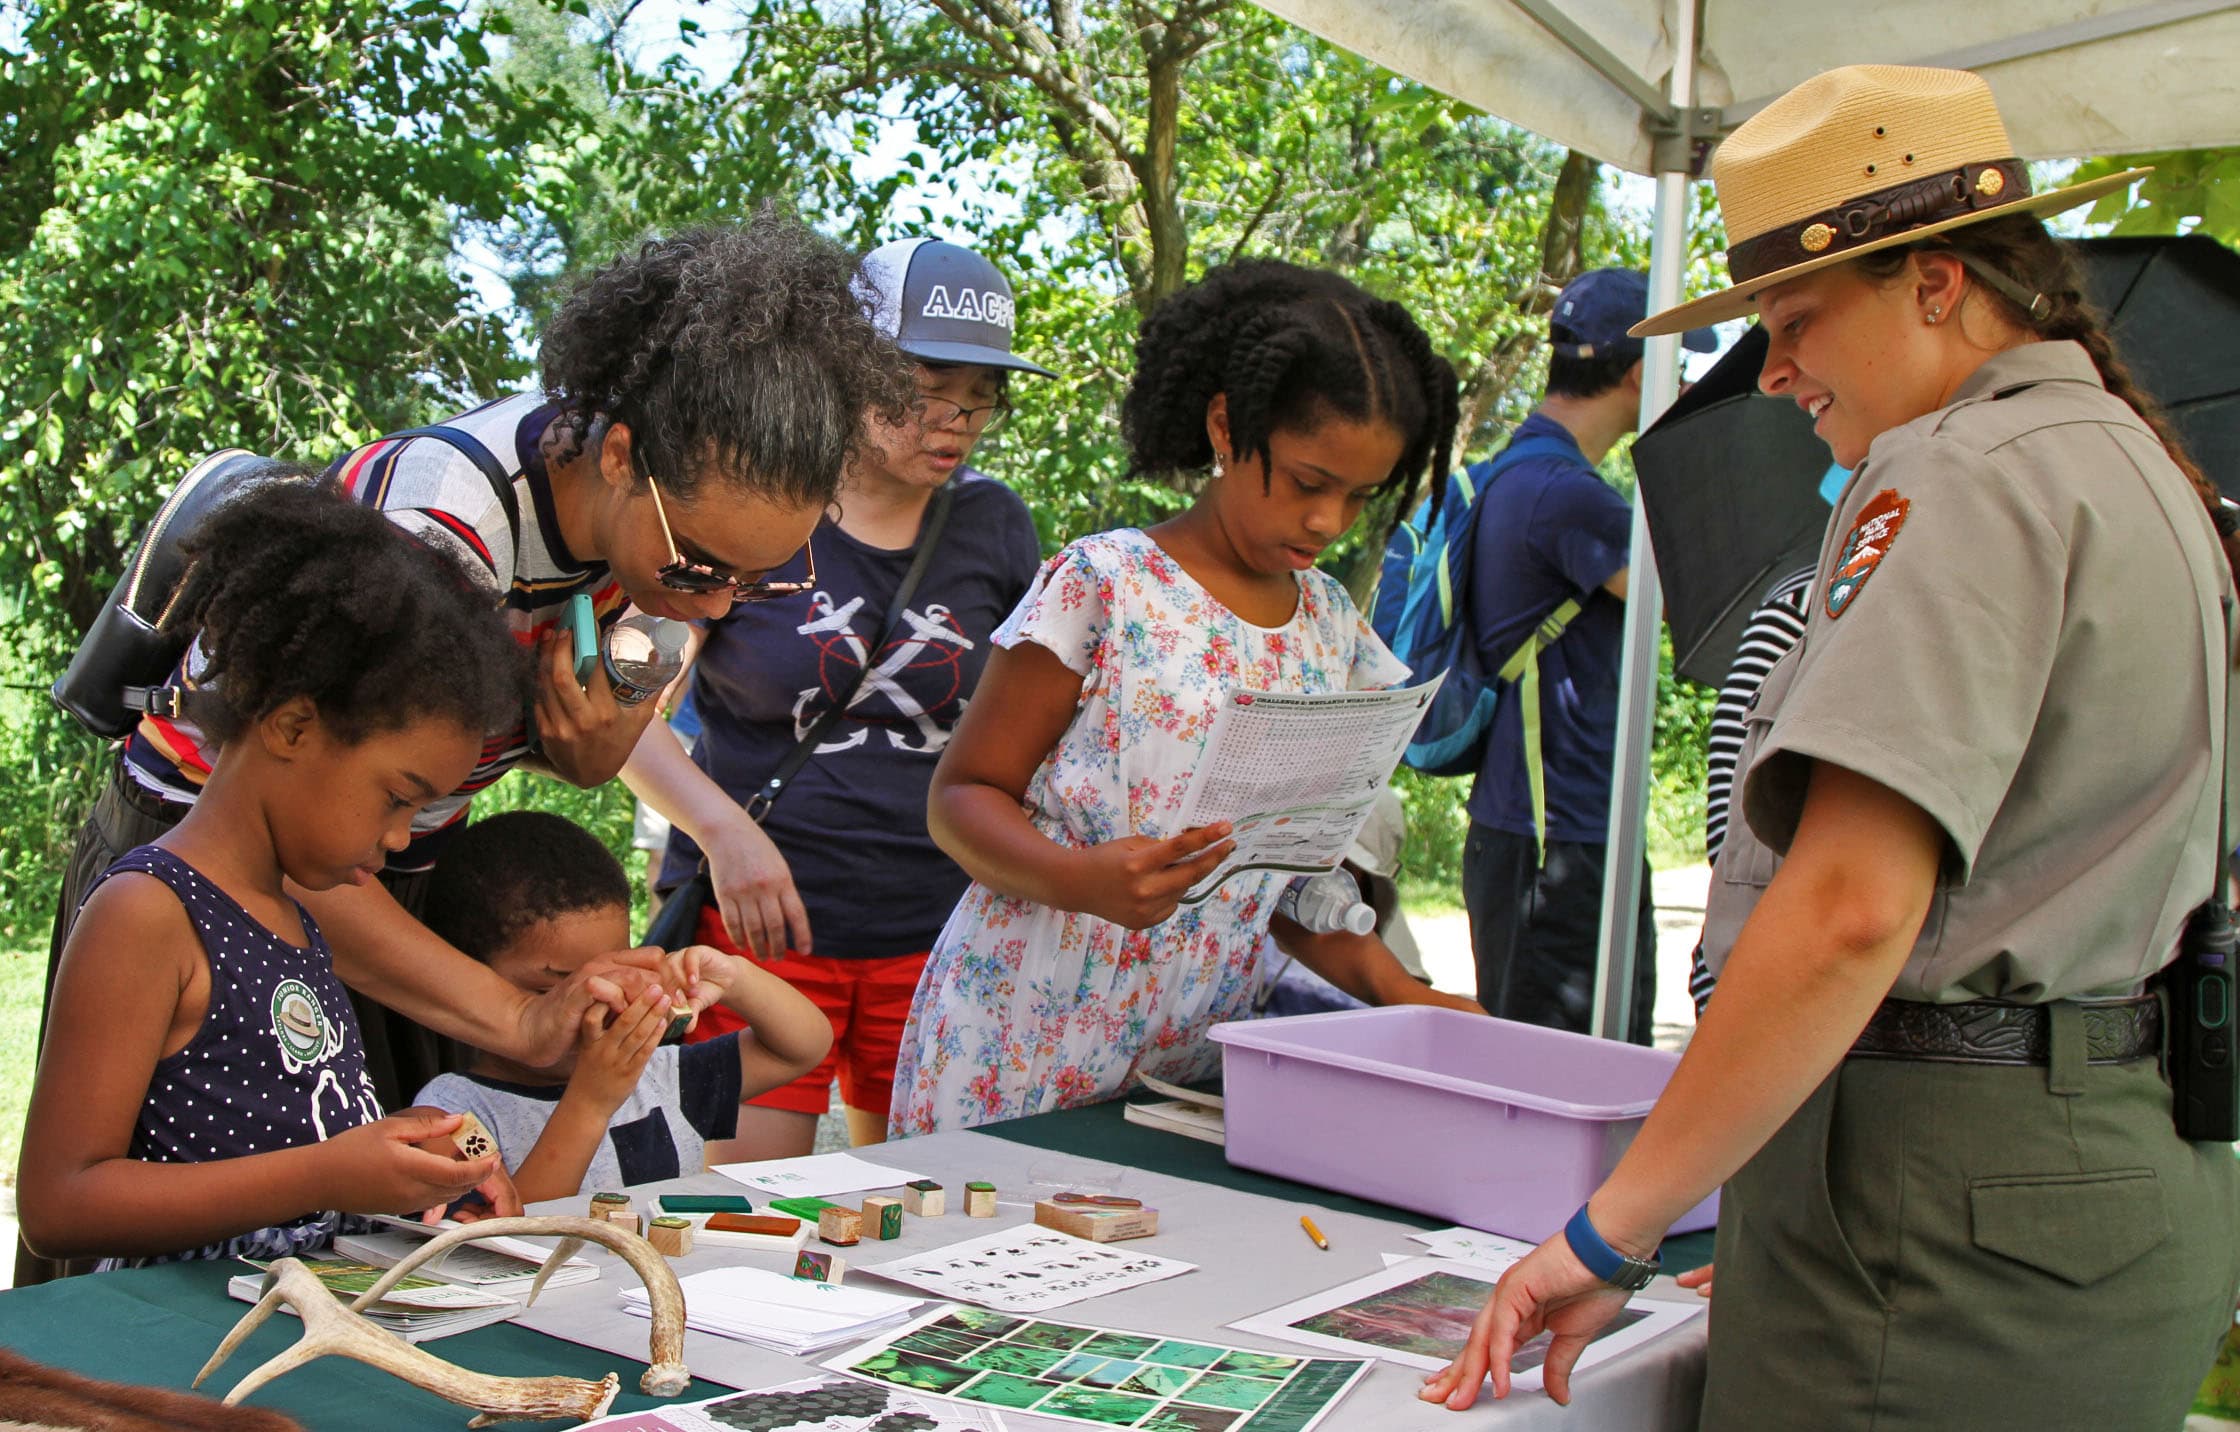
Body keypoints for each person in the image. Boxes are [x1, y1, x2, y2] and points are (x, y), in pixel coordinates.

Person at [1423, 64, 2240, 1428]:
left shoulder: (1960, 472)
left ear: (1934, 282)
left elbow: (1854, 906)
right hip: (2101, 1177)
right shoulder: (2147, 473)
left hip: (1936, 1222)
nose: (1778, 370)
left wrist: (1612, 1228)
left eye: (1797, 320)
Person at [47, 207, 912, 1117]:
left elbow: (432, 773)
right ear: (621, 458)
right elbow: (299, 819)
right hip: (208, 875)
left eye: (756, 581)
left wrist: (580, 753)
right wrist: (513, 1018)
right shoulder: (439, 530)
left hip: (378, 878)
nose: (714, 606)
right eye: (699, 565)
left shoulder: (634, 526)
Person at [889, 259, 1484, 1138]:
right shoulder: (1106, 584)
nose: (1330, 522)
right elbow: (960, 799)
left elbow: (1284, 885)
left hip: (1189, 1079)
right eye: (1309, 482)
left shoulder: (1328, 627)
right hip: (1016, 1053)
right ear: (1225, 424)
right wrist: (1080, 878)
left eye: (1360, 497)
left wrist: (1407, 997)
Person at [16, 483, 543, 1268]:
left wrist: (419, 1176)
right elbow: (59, 1205)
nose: (400, 839)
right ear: (294, 726)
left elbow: (295, 1135)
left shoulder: (300, 914)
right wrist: (328, 1174)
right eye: (398, 798)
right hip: (178, 1358)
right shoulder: (149, 913)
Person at [628, 237, 1049, 1158]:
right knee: (730, 1222)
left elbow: (1045, 723)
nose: (957, 421)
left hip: (937, 938)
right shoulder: (750, 510)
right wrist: (722, 832)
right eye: (930, 386)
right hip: (764, 940)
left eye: (982, 398)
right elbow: (616, 714)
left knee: (926, 1218)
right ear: (847, 370)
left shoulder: (996, 526)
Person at [1460, 268, 1714, 1044]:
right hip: (1559, 836)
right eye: (1681, 365)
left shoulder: (1519, 470)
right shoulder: (1566, 494)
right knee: (1574, 1078)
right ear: (1643, 371)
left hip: (1543, 829)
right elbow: (1691, 600)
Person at [412, 812, 831, 1201]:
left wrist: (734, 977)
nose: (593, 1010)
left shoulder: (660, 1077)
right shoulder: (454, 1115)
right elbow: (508, 1236)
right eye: (550, 992)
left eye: (612, 980)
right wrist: (591, 1101)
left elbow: (801, 1048)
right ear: (466, 982)